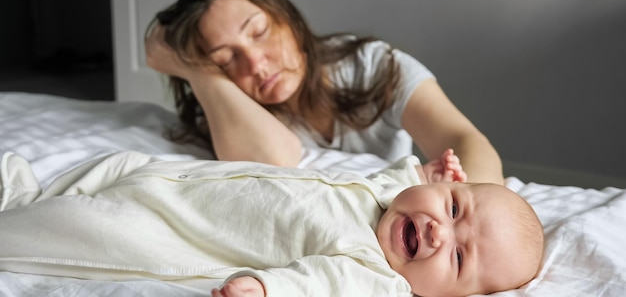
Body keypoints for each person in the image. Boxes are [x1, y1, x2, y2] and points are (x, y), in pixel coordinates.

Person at [0, 149, 543, 297]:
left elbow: (319, 288)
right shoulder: (391, 199)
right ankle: (23, 192)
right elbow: (400, 180)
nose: (437, 232)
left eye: (458, 257)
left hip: (164, 230)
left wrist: (265, 289)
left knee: (73, 227)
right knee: (109, 167)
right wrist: (428, 172)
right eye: (453, 208)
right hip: (173, 179)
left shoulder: (375, 276)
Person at [144, 0, 504, 185]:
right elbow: (274, 159)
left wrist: (457, 208)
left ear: (288, 18)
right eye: (226, 60)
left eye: (259, 32)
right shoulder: (233, 111)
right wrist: (195, 68)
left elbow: (466, 141)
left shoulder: (371, 66)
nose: (255, 64)